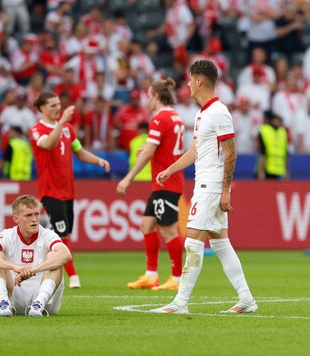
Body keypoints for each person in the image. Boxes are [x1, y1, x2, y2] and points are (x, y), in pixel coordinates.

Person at [149, 59, 257, 314]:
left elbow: (231, 153)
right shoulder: (203, 113)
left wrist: (225, 189)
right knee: (220, 243)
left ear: (198, 81)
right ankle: (247, 299)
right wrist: (171, 168)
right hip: (205, 182)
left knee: (193, 242)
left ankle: (180, 302)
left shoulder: (219, 112)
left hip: (211, 184)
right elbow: (196, 151)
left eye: (189, 79)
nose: (187, 84)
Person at [30, 91, 111, 289]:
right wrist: (61, 122)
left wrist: (98, 160)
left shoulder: (67, 129)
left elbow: (80, 152)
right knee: (63, 234)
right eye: (52, 105)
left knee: (61, 235)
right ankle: (73, 276)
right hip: (50, 190)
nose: (58, 108)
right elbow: (48, 144)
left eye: (59, 104)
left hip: (68, 190)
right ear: (42, 108)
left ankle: (42, 262)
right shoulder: (37, 130)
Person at [117, 78, 185, 291]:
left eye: (149, 96)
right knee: (146, 225)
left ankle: (176, 278)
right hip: (165, 182)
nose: (147, 100)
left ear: (156, 96)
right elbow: (163, 148)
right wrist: (150, 151)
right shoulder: (175, 117)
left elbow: (149, 151)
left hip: (166, 182)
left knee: (169, 231)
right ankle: (151, 275)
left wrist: (128, 178)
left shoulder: (158, 119)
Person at [0, 195, 73, 317]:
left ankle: (39, 303)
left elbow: (66, 254)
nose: (34, 219)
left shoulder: (48, 235)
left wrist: (32, 270)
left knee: (55, 256)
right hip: (15, 294)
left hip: (45, 298)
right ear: (16, 219)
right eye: (28, 215)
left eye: (36, 214)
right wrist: (15, 267)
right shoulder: (7, 235)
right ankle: (3, 303)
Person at [257, 110, 289, 180]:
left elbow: (263, 152)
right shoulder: (283, 132)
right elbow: (286, 153)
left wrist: (261, 170)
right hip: (279, 169)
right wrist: (287, 171)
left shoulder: (264, 130)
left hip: (268, 169)